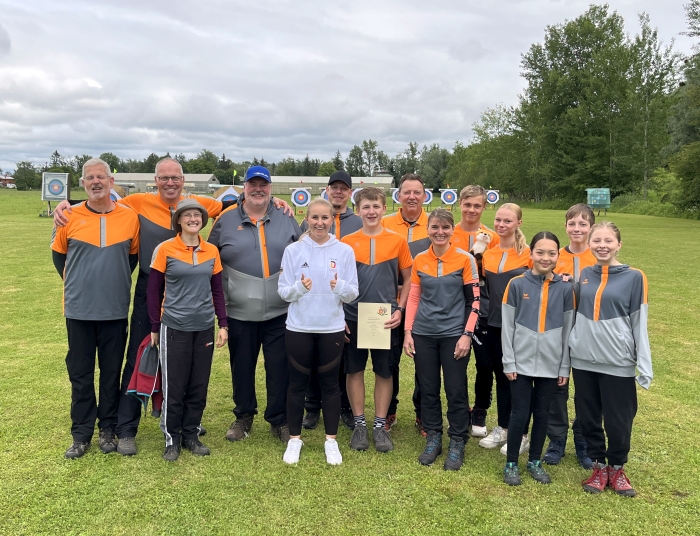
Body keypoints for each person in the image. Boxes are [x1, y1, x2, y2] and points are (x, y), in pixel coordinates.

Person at [52, 157, 291, 456]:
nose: (170, 183)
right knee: (139, 355)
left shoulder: (200, 203)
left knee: (188, 361)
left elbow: (237, 203)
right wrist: (67, 204)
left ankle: (188, 424)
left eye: (175, 177)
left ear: (183, 180)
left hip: (191, 289)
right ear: (155, 181)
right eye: (163, 178)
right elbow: (101, 201)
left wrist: (275, 201)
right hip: (152, 287)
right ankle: (126, 428)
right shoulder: (136, 202)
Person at [50, 158, 140, 458]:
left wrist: (111, 282)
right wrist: (79, 283)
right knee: (80, 373)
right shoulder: (69, 216)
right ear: (83, 184)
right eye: (90, 178)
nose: (96, 182)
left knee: (111, 373)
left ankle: (108, 428)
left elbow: (131, 257)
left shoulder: (129, 217)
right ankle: (81, 433)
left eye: (101, 177)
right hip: (79, 310)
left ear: (111, 182)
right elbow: (59, 257)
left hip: (114, 309)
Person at [208, 166, 302, 444]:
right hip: (239, 312)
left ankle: (280, 419)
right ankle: (243, 415)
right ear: (244, 187)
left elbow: (304, 255)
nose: (258, 189)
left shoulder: (286, 217)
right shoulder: (225, 219)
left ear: (271, 188)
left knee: (280, 367)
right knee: (242, 366)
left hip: (281, 311)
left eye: (263, 184)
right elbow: (210, 259)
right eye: (253, 184)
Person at [569, 222, 652, 497]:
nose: (602, 246)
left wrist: (644, 363)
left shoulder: (635, 277)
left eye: (608, 241)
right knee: (588, 417)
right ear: (589, 244)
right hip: (583, 360)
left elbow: (639, 322)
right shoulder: (584, 274)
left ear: (619, 244)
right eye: (597, 241)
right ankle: (598, 467)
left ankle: (617, 468)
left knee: (619, 421)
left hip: (618, 362)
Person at [278, 198, 359, 464]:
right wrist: (299, 289)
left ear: (332, 219)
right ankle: (294, 440)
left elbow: (353, 293)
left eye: (325, 218)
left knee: (330, 385)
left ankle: (331, 441)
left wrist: (340, 287)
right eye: (315, 217)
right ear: (306, 218)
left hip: (331, 327)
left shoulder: (344, 251)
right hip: (299, 326)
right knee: (296, 384)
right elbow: (283, 292)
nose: (320, 223)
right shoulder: (293, 251)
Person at [148, 199, 229, 461]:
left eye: (197, 215)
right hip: (174, 326)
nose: (193, 219)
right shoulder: (165, 249)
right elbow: (153, 290)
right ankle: (172, 437)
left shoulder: (211, 251)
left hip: (203, 326)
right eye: (187, 215)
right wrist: (154, 326)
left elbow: (217, 290)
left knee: (198, 384)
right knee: (175, 385)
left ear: (202, 220)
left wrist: (223, 323)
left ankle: (191, 434)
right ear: (179, 221)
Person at [403, 209, 480, 471]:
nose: (440, 232)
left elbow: (474, 301)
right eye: (435, 227)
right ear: (428, 230)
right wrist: (408, 332)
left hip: (454, 335)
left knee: (455, 389)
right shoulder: (420, 259)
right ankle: (433, 436)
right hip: (424, 333)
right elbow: (414, 297)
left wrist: (466, 335)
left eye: (445, 227)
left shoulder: (465, 259)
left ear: (452, 230)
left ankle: (457, 439)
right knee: (428, 388)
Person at [500, 232, 575, 486]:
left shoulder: (565, 288)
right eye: (540, 252)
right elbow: (508, 326)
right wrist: (509, 361)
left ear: (558, 256)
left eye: (551, 253)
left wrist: (564, 366)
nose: (545, 258)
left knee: (542, 413)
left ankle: (534, 461)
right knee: (520, 412)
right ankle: (511, 463)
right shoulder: (516, 284)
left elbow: (568, 330)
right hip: (519, 363)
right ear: (530, 253)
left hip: (551, 364)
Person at [342, 187, 412, 452]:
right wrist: (340, 315)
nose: (371, 211)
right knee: (354, 370)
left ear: (384, 208)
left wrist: (400, 309)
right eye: (366, 207)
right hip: (353, 316)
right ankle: (360, 424)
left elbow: (409, 279)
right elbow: (338, 283)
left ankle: (380, 425)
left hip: (385, 319)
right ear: (357, 210)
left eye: (376, 206)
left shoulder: (397, 241)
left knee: (384, 372)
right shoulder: (346, 242)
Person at [299, 171, 362, 431]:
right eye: (334, 187)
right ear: (327, 190)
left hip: (348, 302)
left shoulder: (358, 222)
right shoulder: (309, 223)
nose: (338, 192)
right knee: (314, 358)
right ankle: (313, 406)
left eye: (343, 188)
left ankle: (344, 407)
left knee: (343, 361)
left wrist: (346, 308)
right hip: (316, 304)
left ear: (350, 193)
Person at [542, 204, 597, 468]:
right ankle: (556, 441)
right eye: (572, 223)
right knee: (557, 387)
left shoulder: (598, 258)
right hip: (557, 330)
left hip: (589, 332)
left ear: (591, 228)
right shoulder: (554, 256)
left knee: (587, 390)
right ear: (565, 226)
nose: (577, 228)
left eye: (583, 224)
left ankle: (584, 441)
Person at [478, 203, 533, 455]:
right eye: (498, 220)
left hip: (520, 325)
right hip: (494, 323)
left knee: (520, 379)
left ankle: (521, 434)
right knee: (501, 375)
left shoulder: (529, 254)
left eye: (508, 221)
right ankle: (503, 426)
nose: (501, 225)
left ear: (518, 223)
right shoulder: (488, 253)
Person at [381, 173, 431, 435]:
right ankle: (389, 411)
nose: (412, 197)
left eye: (417, 192)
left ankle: (423, 413)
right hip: (390, 302)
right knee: (389, 360)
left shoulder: (434, 225)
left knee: (424, 362)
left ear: (424, 196)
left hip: (424, 304)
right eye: (407, 192)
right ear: (398, 195)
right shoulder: (384, 222)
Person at [450, 185, 500, 438]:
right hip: (453, 302)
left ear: (484, 207)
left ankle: (480, 409)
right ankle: (458, 410)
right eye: (467, 204)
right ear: (460, 204)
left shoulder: (493, 237)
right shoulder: (449, 233)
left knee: (484, 362)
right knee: (454, 361)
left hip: (484, 304)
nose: (472, 209)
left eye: (477, 205)